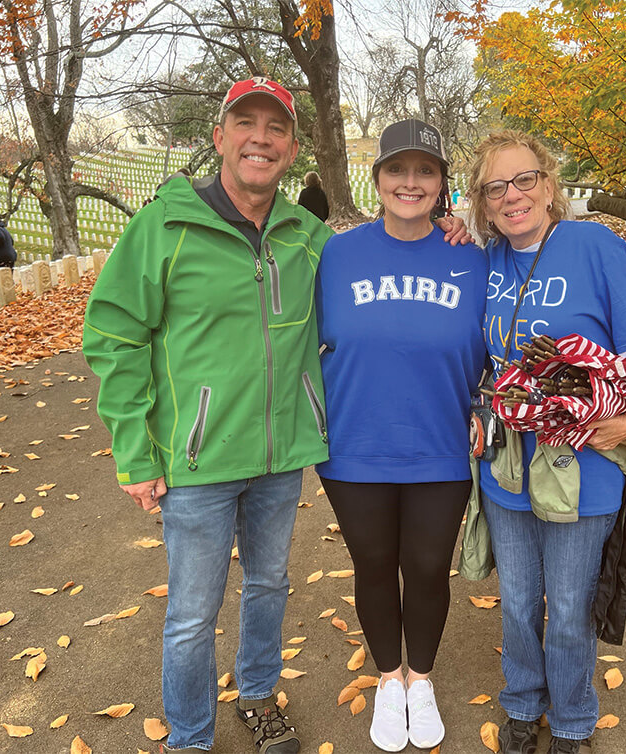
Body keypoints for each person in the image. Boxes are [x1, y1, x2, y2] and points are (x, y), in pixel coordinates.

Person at [82, 78, 470, 754]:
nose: (259, 138)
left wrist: (450, 227)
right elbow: (114, 336)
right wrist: (133, 452)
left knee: (268, 587)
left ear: (292, 148)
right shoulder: (165, 226)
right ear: (220, 137)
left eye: (275, 129)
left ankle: (258, 699)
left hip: (281, 455)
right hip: (196, 458)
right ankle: (192, 739)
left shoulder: (307, 237)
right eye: (245, 124)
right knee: (191, 616)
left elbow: (394, 254)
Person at [467, 130, 626, 754]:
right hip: (507, 468)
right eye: (495, 187)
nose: (513, 195)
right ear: (482, 201)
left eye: (524, 179)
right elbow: (483, 357)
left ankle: (575, 722)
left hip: (584, 468)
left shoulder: (596, 245)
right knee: (521, 601)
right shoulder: (489, 259)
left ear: (550, 184)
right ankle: (523, 706)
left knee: (573, 605)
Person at [315, 119, 488, 752]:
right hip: (354, 444)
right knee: (375, 565)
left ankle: (421, 679)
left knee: (427, 566)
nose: (409, 182)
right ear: (378, 177)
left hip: (439, 441)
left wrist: (484, 403)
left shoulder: (473, 258)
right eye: (396, 170)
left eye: (425, 171)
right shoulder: (337, 253)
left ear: (442, 184)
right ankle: (389, 678)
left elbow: (499, 347)